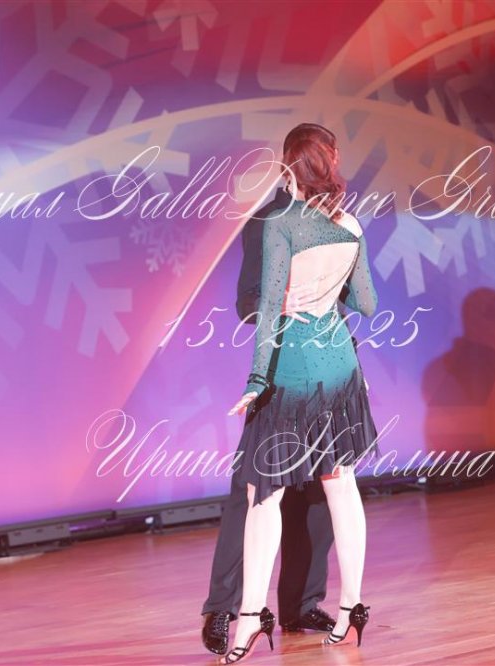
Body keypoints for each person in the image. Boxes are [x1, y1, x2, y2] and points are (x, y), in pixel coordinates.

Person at [220, 123, 379, 664]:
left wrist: (256, 382)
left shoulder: (281, 224)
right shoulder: (350, 225)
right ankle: (352, 610)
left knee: (263, 494)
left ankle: (249, 619)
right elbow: (368, 304)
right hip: (341, 369)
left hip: (292, 373)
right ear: (331, 161)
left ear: (289, 165)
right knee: (341, 486)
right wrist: (327, 288)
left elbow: (268, 311)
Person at [200, 182, 337, 656]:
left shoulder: (333, 220)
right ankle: (224, 607)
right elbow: (247, 302)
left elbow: (349, 299)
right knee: (254, 490)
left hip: (326, 369)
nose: (329, 172)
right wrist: (283, 304)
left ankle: (302, 604)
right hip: (278, 371)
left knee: (320, 489)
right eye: (321, 161)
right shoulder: (267, 221)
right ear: (293, 168)